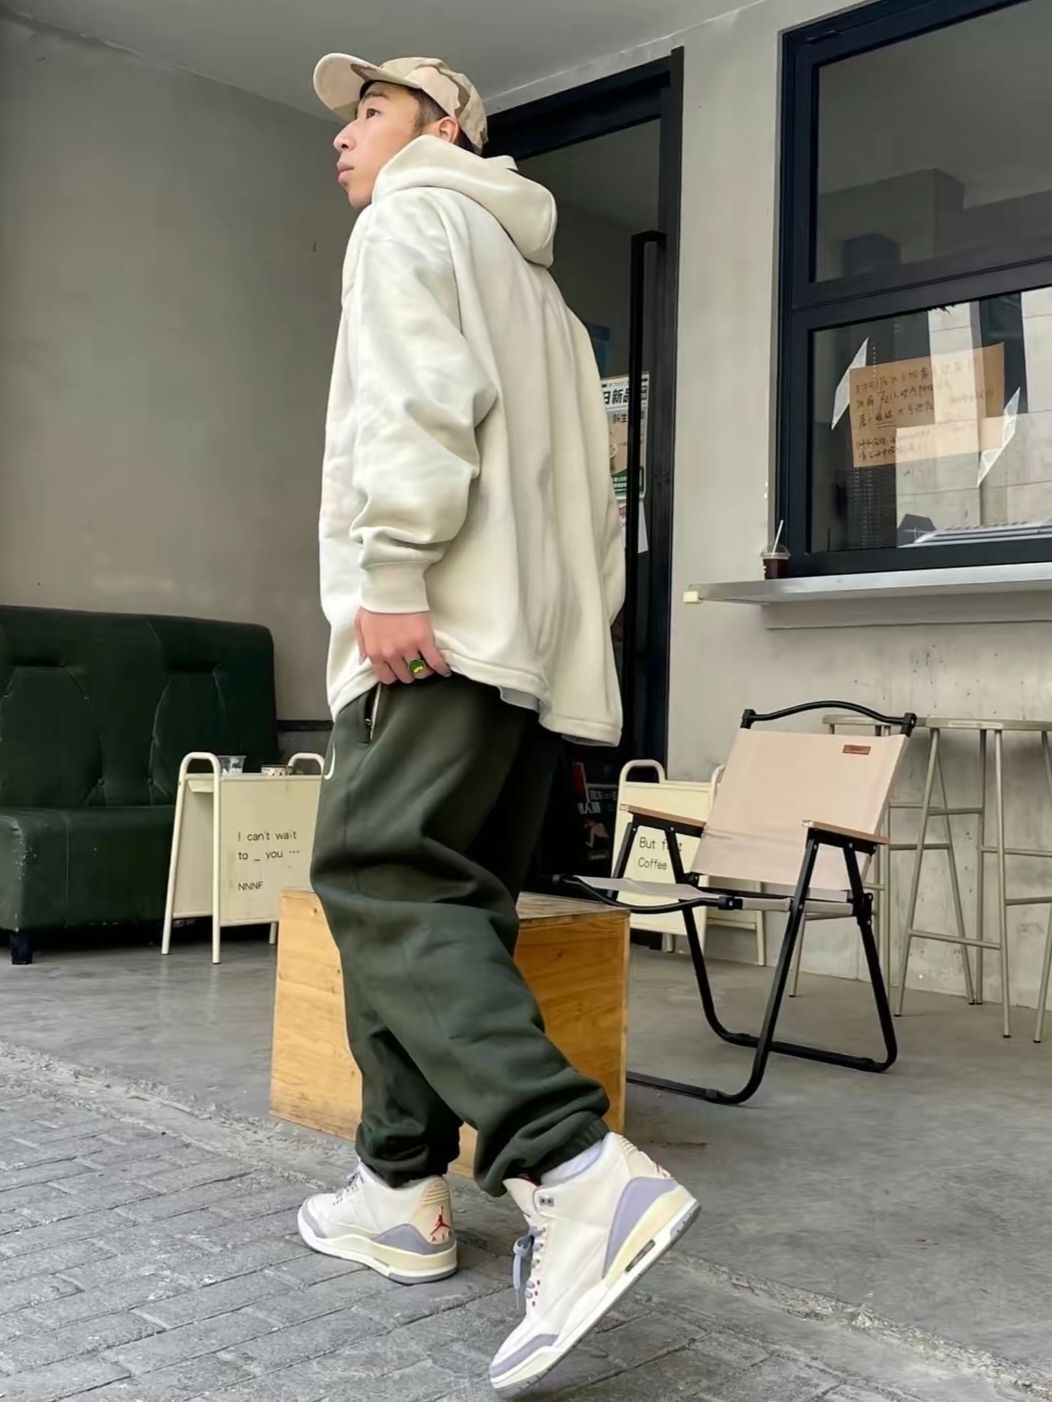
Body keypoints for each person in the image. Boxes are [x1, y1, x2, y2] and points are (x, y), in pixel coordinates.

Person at [298, 52, 699, 1395]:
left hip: (437, 629)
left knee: (378, 876)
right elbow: (596, 510)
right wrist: (569, 657)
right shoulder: (549, 301)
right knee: (444, 909)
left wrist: (394, 575)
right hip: (525, 659)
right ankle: (396, 1187)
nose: (345, 136)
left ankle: (576, 1172)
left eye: (371, 109)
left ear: (446, 126)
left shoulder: (413, 217)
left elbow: (414, 404)